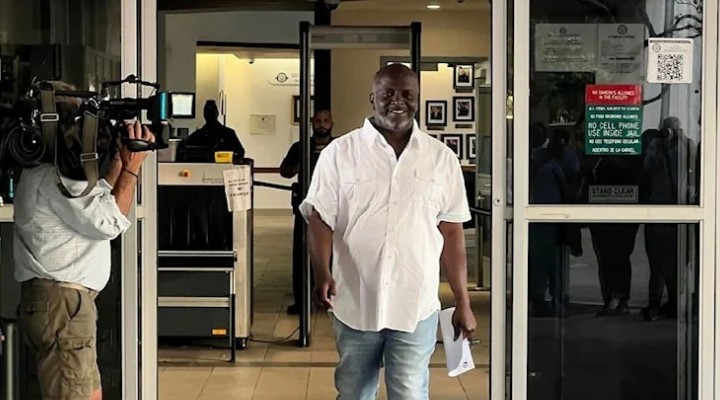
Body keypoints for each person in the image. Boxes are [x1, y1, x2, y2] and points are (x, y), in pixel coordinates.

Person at [301, 64, 476, 399]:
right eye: (388, 94)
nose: (398, 101)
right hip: (355, 301)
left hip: (415, 304)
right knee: (354, 393)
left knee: (410, 393)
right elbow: (320, 218)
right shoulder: (340, 153)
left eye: (407, 94)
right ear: (372, 98)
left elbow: (452, 232)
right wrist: (322, 271)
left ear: (418, 99)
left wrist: (462, 302)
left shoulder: (441, 158)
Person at [14, 81, 154, 400]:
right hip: (63, 304)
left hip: (63, 304)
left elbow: (96, 200)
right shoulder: (57, 175)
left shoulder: (46, 169)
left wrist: (120, 161)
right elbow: (107, 222)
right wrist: (132, 169)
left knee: (88, 393)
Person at [279, 109, 334, 315]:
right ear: (312, 123)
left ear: (332, 123)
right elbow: (284, 171)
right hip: (306, 209)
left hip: (332, 209)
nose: (322, 124)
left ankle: (331, 298)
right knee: (302, 256)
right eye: (318, 120)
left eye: (326, 121)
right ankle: (302, 300)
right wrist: (298, 163)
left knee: (333, 256)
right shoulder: (300, 146)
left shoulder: (338, 147)